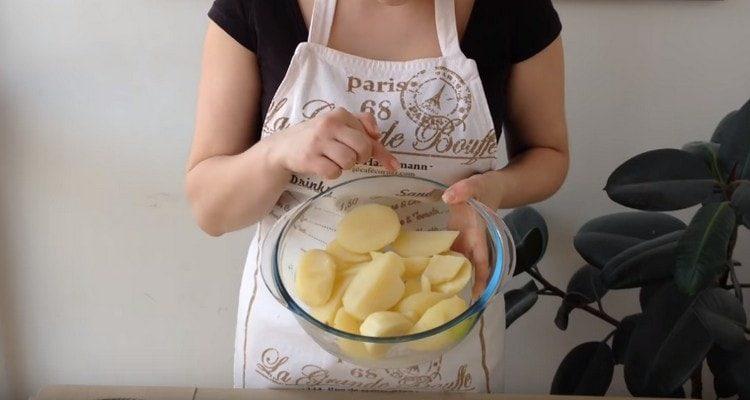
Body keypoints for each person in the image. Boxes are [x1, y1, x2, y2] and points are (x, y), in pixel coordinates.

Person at [186, 0, 568, 392]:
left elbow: (549, 155)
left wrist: (495, 189)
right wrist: (277, 152)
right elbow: (211, 210)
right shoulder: (254, 7)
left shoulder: (519, 10)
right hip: (292, 349)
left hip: (447, 332)